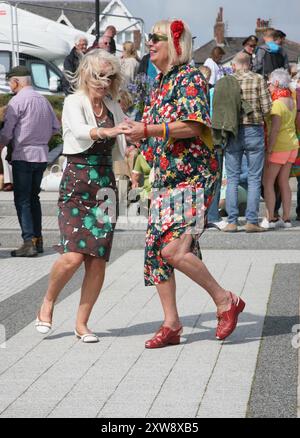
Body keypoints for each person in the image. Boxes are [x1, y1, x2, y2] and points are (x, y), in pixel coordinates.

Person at [124, 19, 245, 348]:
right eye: (149, 38)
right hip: (165, 178)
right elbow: (151, 125)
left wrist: (148, 131)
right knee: (157, 253)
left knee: (174, 250)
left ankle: (225, 301)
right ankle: (172, 324)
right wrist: (136, 138)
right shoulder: (159, 81)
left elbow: (193, 125)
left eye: (157, 38)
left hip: (193, 178)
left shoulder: (189, 77)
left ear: (176, 44)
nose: (150, 44)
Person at [35, 50, 129, 342]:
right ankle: (48, 302)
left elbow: (120, 147)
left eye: (109, 76)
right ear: (86, 73)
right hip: (77, 182)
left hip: (105, 186)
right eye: (99, 75)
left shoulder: (113, 104)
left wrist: (129, 171)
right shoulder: (74, 101)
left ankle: (82, 324)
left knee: (98, 260)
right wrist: (112, 130)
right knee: (73, 256)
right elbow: (80, 131)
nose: (104, 81)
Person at [0, 66, 60, 256]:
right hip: (41, 155)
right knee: (34, 198)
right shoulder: (43, 100)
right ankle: (38, 239)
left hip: (23, 155)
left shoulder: (17, 102)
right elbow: (55, 128)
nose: (10, 86)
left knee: (23, 200)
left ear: (16, 81)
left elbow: (7, 133)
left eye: (10, 82)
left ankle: (28, 242)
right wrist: (41, 141)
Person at [222, 52, 272, 233]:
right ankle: (251, 221)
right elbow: (268, 108)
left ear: (234, 65)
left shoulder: (228, 80)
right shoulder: (258, 79)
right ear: (249, 64)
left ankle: (232, 221)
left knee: (233, 178)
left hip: (232, 130)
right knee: (253, 178)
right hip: (254, 130)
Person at [262, 69, 299, 228]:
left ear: (276, 83)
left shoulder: (277, 104)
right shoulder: (292, 100)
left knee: (268, 182)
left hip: (279, 146)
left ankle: (269, 218)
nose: (268, 86)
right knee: (284, 182)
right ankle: (286, 218)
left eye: (269, 83)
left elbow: (275, 129)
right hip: (292, 144)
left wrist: (269, 149)